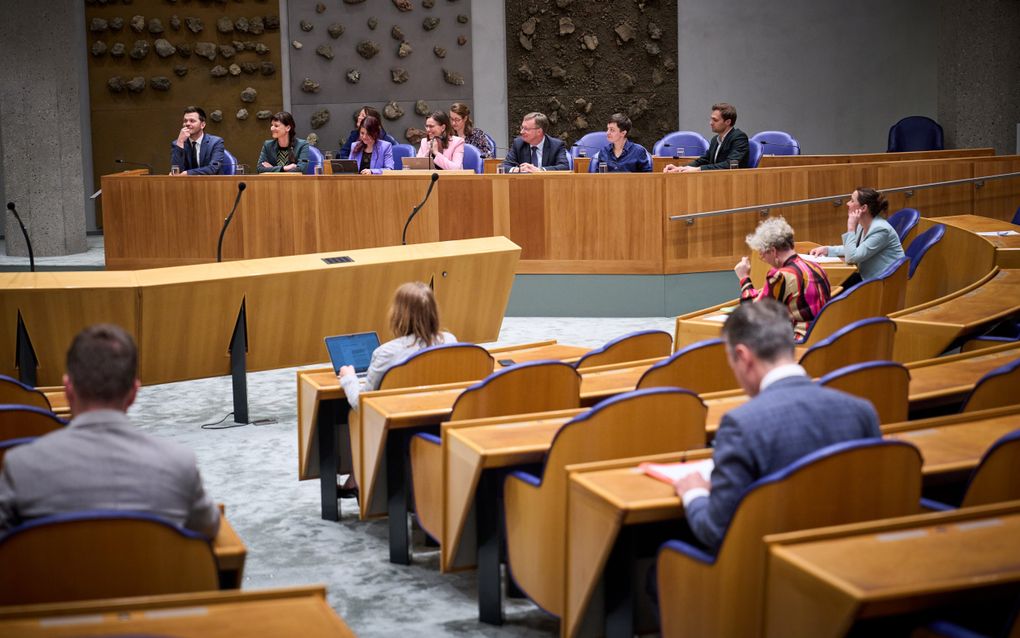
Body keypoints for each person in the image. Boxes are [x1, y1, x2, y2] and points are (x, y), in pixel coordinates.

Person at [674, 299, 882, 551]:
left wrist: (693, 493)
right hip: (850, 556)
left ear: (743, 357)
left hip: (768, 569)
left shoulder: (741, 425)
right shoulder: (861, 412)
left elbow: (716, 530)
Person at [0, 324, 220, 538]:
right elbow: (208, 528)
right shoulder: (179, 464)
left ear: (67, 390)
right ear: (134, 393)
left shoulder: (20, 465)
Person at [735, 217, 831, 340]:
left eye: (763, 254)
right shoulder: (816, 266)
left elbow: (753, 312)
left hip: (799, 342)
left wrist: (744, 278)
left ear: (773, 251)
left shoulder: (781, 276)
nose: (763, 259)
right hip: (824, 339)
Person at [810, 187, 905, 284]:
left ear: (863, 208)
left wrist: (851, 227)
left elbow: (852, 258)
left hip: (885, 282)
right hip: (868, 277)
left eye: (852, 201)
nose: (847, 204)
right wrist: (828, 250)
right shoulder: (863, 224)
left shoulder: (880, 229)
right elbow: (855, 248)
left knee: (831, 287)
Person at [664, 102, 749, 173]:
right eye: (711, 119)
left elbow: (729, 164)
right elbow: (704, 160)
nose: (711, 123)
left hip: (733, 183)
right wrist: (681, 168)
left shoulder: (739, 138)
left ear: (728, 122)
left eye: (715, 120)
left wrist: (698, 169)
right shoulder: (715, 140)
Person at [501, 112, 571, 173]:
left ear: (539, 132)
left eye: (526, 129)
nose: (521, 132)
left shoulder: (556, 145)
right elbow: (504, 166)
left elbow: (564, 167)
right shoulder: (518, 144)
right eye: (521, 128)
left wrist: (539, 170)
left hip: (548, 185)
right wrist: (519, 170)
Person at [169, 106, 225, 176]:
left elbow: (213, 168)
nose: (187, 124)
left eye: (192, 121)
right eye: (185, 121)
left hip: (210, 184)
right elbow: (176, 171)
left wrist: (188, 173)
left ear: (202, 125)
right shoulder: (177, 143)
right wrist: (180, 142)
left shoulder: (216, 142)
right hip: (186, 185)